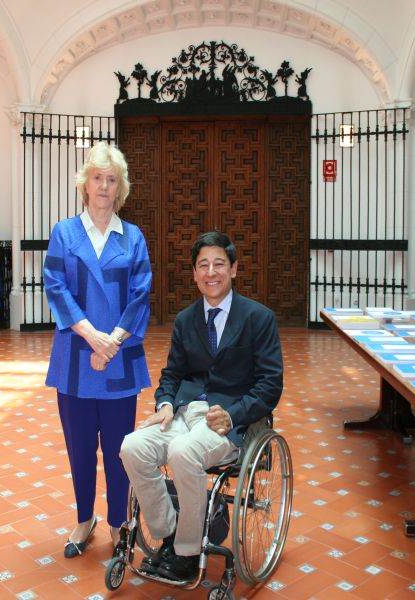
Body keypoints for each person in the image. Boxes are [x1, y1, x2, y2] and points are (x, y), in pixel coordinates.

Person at [120, 231, 283, 582]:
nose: (211, 272)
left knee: (182, 452)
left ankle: (187, 550)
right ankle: (168, 532)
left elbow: (270, 385)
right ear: (194, 274)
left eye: (219, 264)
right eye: (203, 265)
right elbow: (172, 374)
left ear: (234, 269)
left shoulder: (259, 318)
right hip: (182, 414)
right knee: (132, 447)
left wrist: (234, 414)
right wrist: (164, 403)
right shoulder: (186, 319)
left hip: (230, 422)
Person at [43, 141, 151, 558]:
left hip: (121, 361)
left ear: (120, 189)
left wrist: (113, 342)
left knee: (121, 449)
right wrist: (94, 338)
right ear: (84, 184)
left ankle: (120, 524)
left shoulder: (134, 237)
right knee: (80, 445)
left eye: (112, 180)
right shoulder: (64, 233)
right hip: (75, 360)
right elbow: (56, 287)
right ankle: (84, 518)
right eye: (97, 178)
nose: (104, 186)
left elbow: (141, 295)